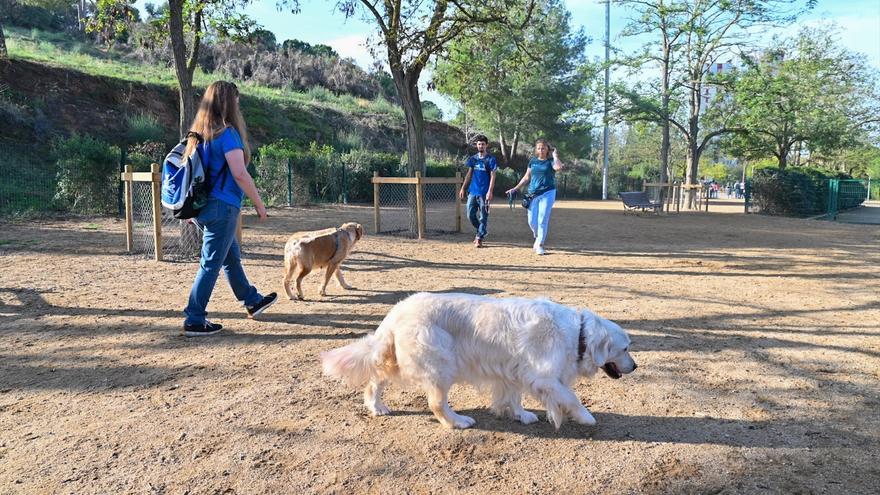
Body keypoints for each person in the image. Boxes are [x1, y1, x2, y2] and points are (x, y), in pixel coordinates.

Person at [182, 81, 277, 337]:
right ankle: (194, 318)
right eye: (235, 99)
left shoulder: (198, 136)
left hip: (203, 209)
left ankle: (252, 299)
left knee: (230, 257)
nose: (238, 104)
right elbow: (240, 174)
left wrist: (192, 213)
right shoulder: (227, 134)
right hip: (222, 208)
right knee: (210, 264)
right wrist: (259, 204)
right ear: (227, 102)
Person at [505, 138, 564, 255]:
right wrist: (515, 188)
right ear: (536, 150)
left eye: (543, 148)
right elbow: (527, 177)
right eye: (539, 148)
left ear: (547, 149)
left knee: (542, 219)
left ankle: (540, 244)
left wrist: (555, 155)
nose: (541, 150)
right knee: (532, 221)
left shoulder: (551, 161)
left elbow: (558, 168)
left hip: (548, 192)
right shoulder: (533, 161)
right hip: (533, 193)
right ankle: (537, 237)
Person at [458, 135, 497, 248]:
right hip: (473, 192)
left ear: (486, 145)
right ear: (476, 145)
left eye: (483, 144)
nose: (481, 146)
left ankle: (479, 237)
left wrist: (490, 191)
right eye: (479, 144)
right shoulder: (473, 159)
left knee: (483, 216)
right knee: (470, 215)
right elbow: (469, 175)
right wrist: (463, 188)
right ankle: (482, 229)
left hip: (484, 193)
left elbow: (493, 176)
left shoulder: (491, 160)